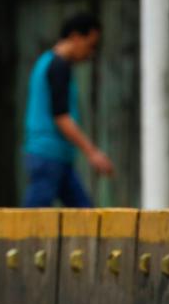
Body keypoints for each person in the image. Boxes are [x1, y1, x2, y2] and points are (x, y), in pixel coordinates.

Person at [21, 13, 113, 208]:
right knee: (34, 218)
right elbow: (61, 117)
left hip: (57, 156)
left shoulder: (48, 62)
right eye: (90, 45)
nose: (90, 53)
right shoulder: (58, 66)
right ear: (75, 37)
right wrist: (92, 152)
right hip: (48, 154)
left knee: (84, 214)